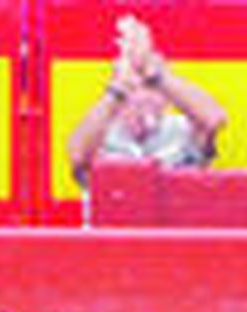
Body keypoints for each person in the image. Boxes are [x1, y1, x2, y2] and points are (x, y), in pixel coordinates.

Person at [66, 14, 229, 190]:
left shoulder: (183, 131)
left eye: (151, 88)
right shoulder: (100, 135)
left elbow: (214, 119)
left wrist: (156, 76)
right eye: (136, 87)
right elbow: (77, 155)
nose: (143, 97)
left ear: (167, 99)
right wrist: (119, 89)